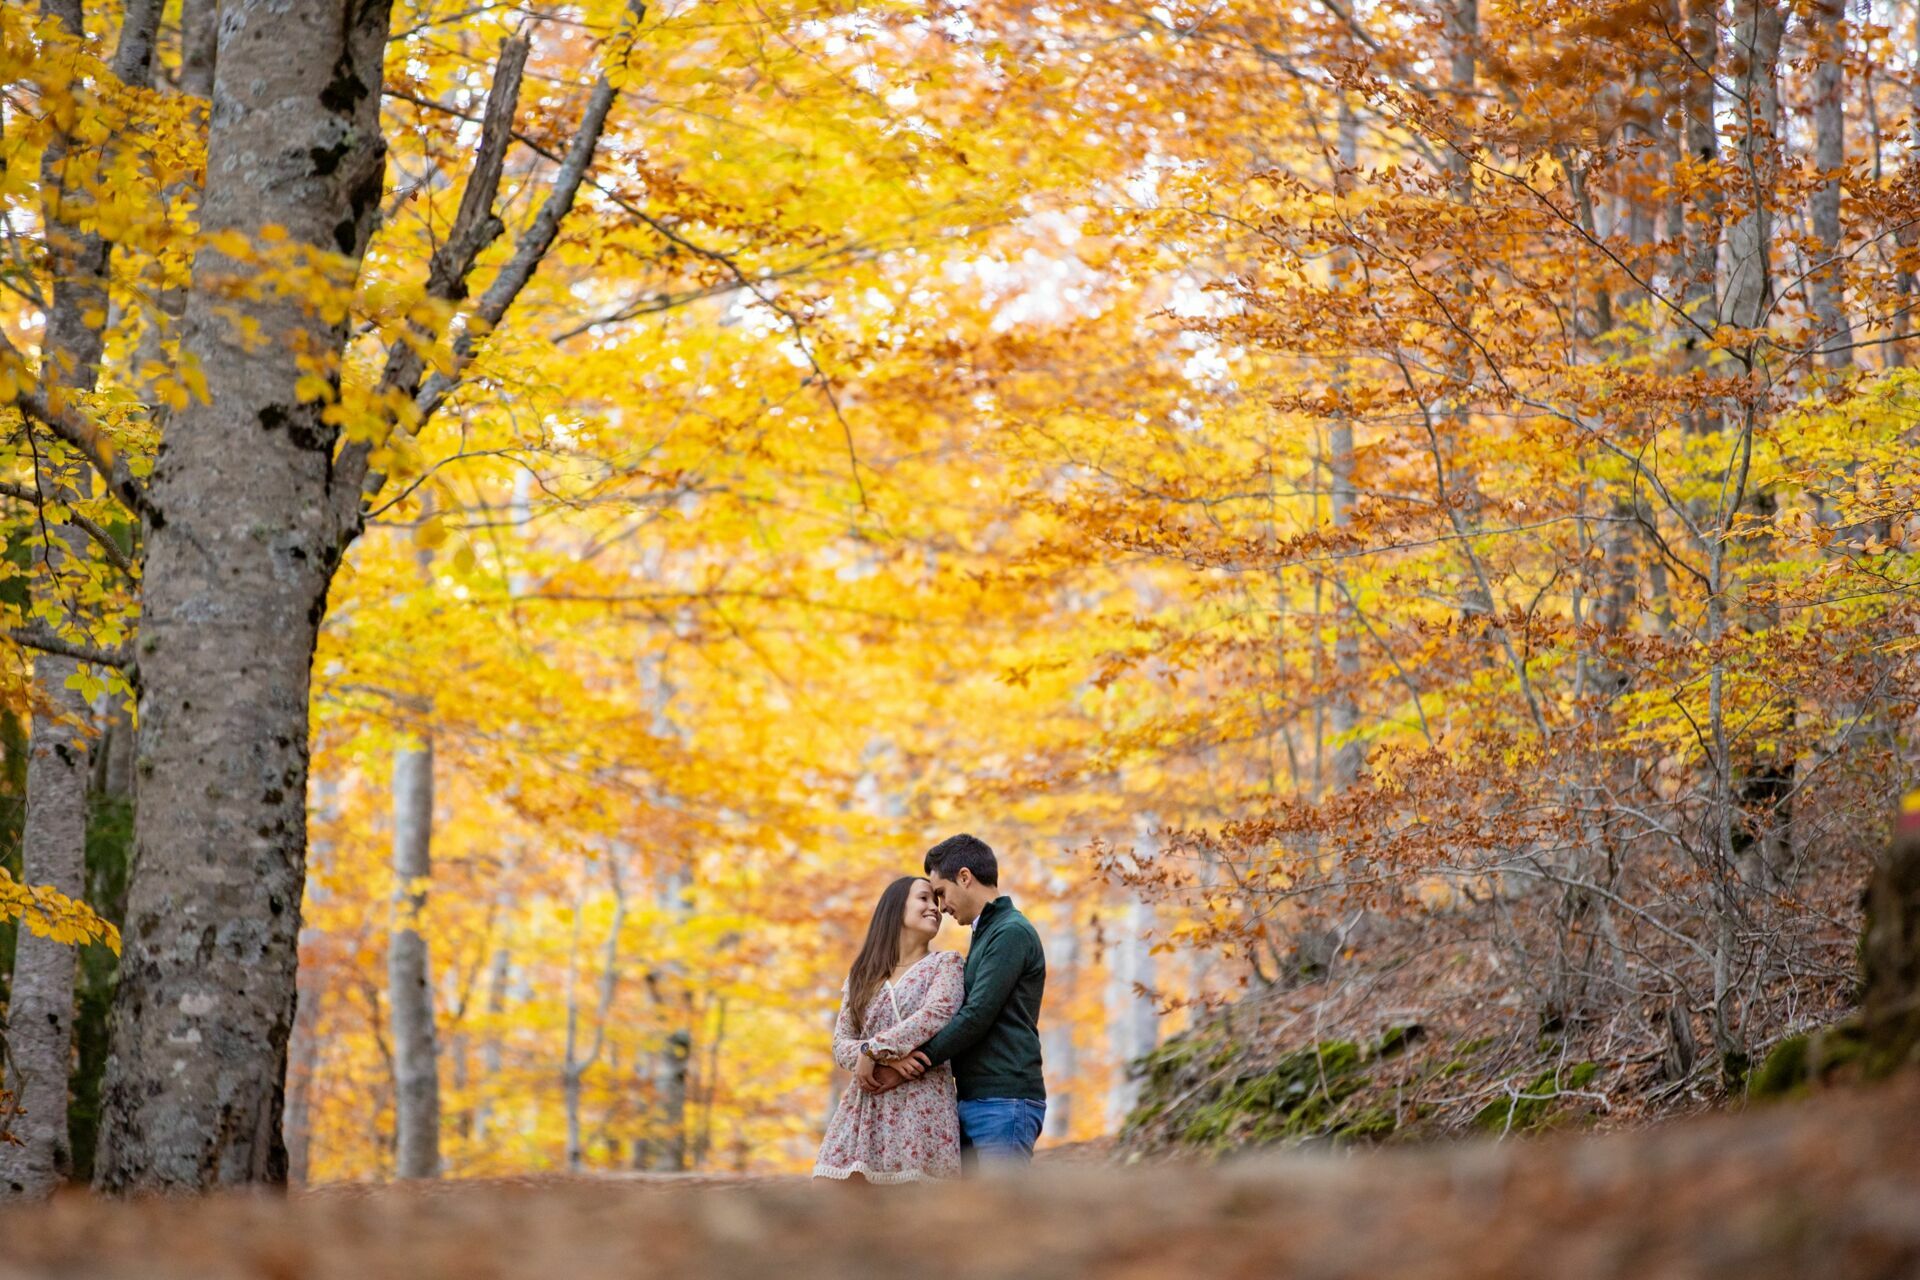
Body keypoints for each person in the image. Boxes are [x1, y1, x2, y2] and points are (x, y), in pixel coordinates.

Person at [866, 833, 1047, 1171]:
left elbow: (977, 1014)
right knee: (973, 1217)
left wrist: (909, 1066)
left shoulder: (1010, 932)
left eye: (940, 893)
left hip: (1004, 1099)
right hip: (976, 1097)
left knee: (1003, 1213)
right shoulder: (987, 934)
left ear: (965, 877)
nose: (940, 906)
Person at [812, 875, 965, 1183]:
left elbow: (937, 1014)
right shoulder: (863, 975)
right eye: (923, 898)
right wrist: (884, 1058)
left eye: (936, 901)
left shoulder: (946, 964)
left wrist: (874, 1048)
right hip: (865, 1104)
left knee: (912, 1213)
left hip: (920, 1108)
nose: (934, 908)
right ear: (895, 908)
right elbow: (841, 1045)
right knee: (836, 1199)